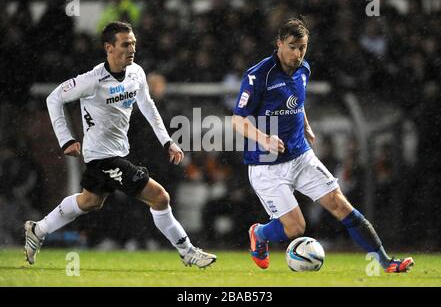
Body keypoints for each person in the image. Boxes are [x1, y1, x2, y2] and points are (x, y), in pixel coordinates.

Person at [24, 21, 216, 268]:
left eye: (133, 43)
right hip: (102, 157)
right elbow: (54, 99)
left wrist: (167, 140)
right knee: (160, 197)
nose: (131, 48)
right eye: (125, 44)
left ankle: (37, 230)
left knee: (89, 201)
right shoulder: (92, 80)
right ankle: (187, 251)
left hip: (117, 151)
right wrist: (67, 139)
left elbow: (147, 105)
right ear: (109, 47)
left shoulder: (136, 73)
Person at [231, 17, 414, 273]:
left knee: (341, 205)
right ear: (279, 44)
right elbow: (238, 121)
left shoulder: (304, 69)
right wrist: (265, 139)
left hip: (301, 156)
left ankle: (386, 262)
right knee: (295, 227)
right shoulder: (258, 75)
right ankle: (259, 234)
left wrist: (305, 124)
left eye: (302, 47)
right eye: (292, 46)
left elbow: (297, 100)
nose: (297, 53)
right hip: (267, 165)